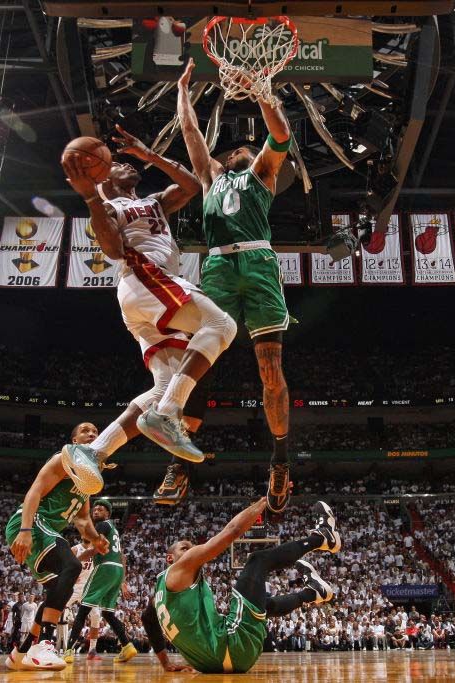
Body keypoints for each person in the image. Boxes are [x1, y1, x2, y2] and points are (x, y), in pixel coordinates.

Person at [60, 124, 237, 496]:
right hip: (146, 279)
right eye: (117, 163)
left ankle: (93, 451)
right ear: (102, 173)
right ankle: (169, 413)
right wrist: (91, 198)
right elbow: (111, 249)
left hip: (146, 298)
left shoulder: (154, 201)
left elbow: (191, 185)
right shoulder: (108, 205)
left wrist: (149, 154)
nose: (124, 163)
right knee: (221, 324)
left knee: (162, 386)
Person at [167, 58, 295, 511]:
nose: (242, 148)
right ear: (225, 158)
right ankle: (180, 462)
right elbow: (190, 135)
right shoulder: (209, 178)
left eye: (247, 146)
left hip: (258, 263)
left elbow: (279, 136)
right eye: (236, 147)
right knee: (198, 359)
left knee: (270, 371)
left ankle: (280, 462)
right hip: (218, 267)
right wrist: (183, 89)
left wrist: (261, 89)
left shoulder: (260, 174)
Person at [141, 498, 339, 673]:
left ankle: (313, 593)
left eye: (192, 548)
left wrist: (165, 663)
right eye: (185, 548)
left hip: (214, 664)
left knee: (260, 606)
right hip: (232, 646)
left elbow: (147, 620)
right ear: (169, 558)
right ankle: (322, 538)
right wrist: (264, 501)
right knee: (257, 560)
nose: (192, 551)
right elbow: (232, 531)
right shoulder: (179, 569)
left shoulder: (158, 596)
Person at [4, 422, 109, 671]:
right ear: (73, 441)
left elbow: (82, 520)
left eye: (95, 431)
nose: (92, 433)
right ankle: (46, 644)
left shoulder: (88, 479)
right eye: (85, 430)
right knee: (72, 566)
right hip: (30, 521)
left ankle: (21, 652)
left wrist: (95, 538)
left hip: (46, 531)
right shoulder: (62, 459)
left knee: (57, 593)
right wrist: (26, 530)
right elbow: (35, 492)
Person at [65, 499, 137, 664]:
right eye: (95, 509)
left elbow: (96, 548)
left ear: (108, 514)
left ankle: (68, 650)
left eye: (101, 509)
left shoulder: (103, 525)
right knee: (108, 613)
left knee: (83, 610)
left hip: (105, 567)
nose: (96, 511)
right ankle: (127, 646)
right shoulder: (114, 530)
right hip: (116, 570)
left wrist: (76, 560)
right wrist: (122, 581)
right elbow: (121, 556)